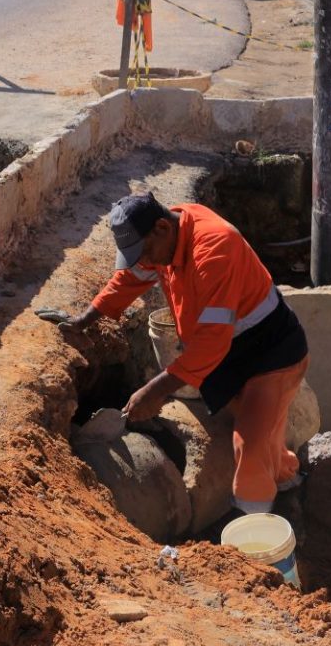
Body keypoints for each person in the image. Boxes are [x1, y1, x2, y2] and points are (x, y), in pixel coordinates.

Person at [48, 192, 310, 516]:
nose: (145, 261)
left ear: (161, 227)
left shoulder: (214, 249)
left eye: (144, 252)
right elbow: (132, 276)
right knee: (263, 431)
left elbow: (212, 343)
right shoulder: (164, 240)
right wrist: (87, 316)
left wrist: (153, 391)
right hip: (232, 354)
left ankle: (253, 540)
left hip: (271, 352)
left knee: (250, 444)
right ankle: (290, 484)